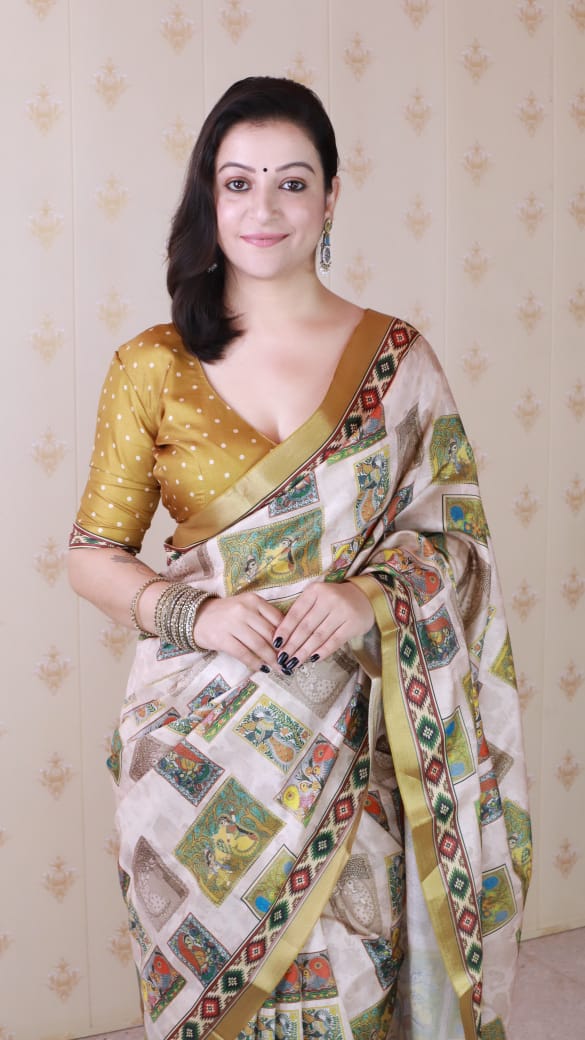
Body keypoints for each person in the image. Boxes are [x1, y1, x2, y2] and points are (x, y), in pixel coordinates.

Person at [68, 76, 531, 1040]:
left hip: (359, 740)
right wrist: (199, 613)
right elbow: (93, 555)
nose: (263, 207)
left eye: (290, 181)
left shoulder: (397, 361)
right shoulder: (151, 364)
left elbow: (456, 542)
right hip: (196, 745)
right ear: (207, 199)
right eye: (236, 183)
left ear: (329, 198)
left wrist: (370, 598)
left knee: (352, 989)